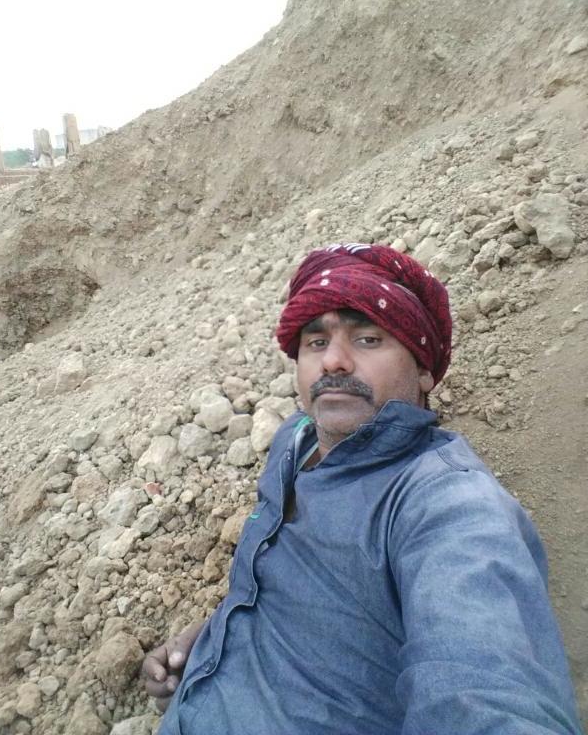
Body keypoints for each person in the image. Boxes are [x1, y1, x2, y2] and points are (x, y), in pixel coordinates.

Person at [143, 243, 582, 734]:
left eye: (368, 339)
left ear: (424, 369)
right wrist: (218, 637)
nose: (333, 361)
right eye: (315, 342)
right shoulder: (294, 440)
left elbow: (486, 695)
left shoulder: (447, 506)